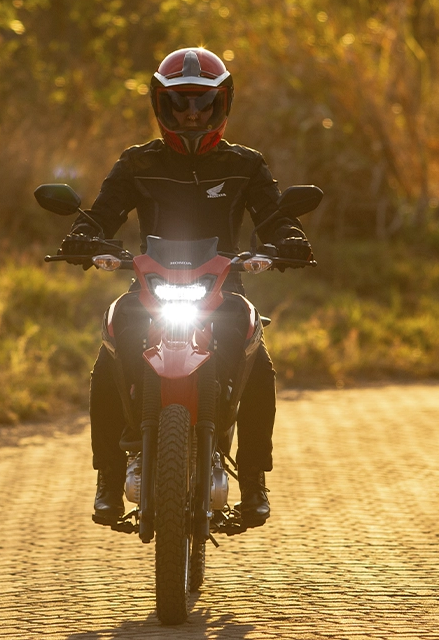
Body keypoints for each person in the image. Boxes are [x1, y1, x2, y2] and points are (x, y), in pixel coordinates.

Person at [57, 47, 314, 529]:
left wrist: (289, 240)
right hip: (149, 291)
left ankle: (253, 480)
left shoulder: (246, 165)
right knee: (110, 350)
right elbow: (101, 215)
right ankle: (109, 477)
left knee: (258, 362)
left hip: (223, 292)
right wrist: (83, 237)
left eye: (202, 101)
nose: (191, 113)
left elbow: (274, 217)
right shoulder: (136, 163)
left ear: (222, 103)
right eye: (179, 102)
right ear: (161, 103)